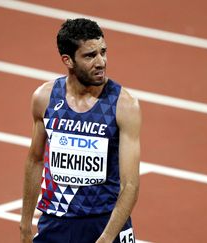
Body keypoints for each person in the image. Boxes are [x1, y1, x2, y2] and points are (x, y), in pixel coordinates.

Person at [19, 18, 141, 243]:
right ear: (68, 60)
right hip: (57, 222)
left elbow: (130, 185)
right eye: (89, 55)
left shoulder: (123, 105)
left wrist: (106, 239)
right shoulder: (44, 98)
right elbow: (35, 160)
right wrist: (25, 226)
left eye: (103, 52)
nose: (101, 62)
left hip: (106, 223)